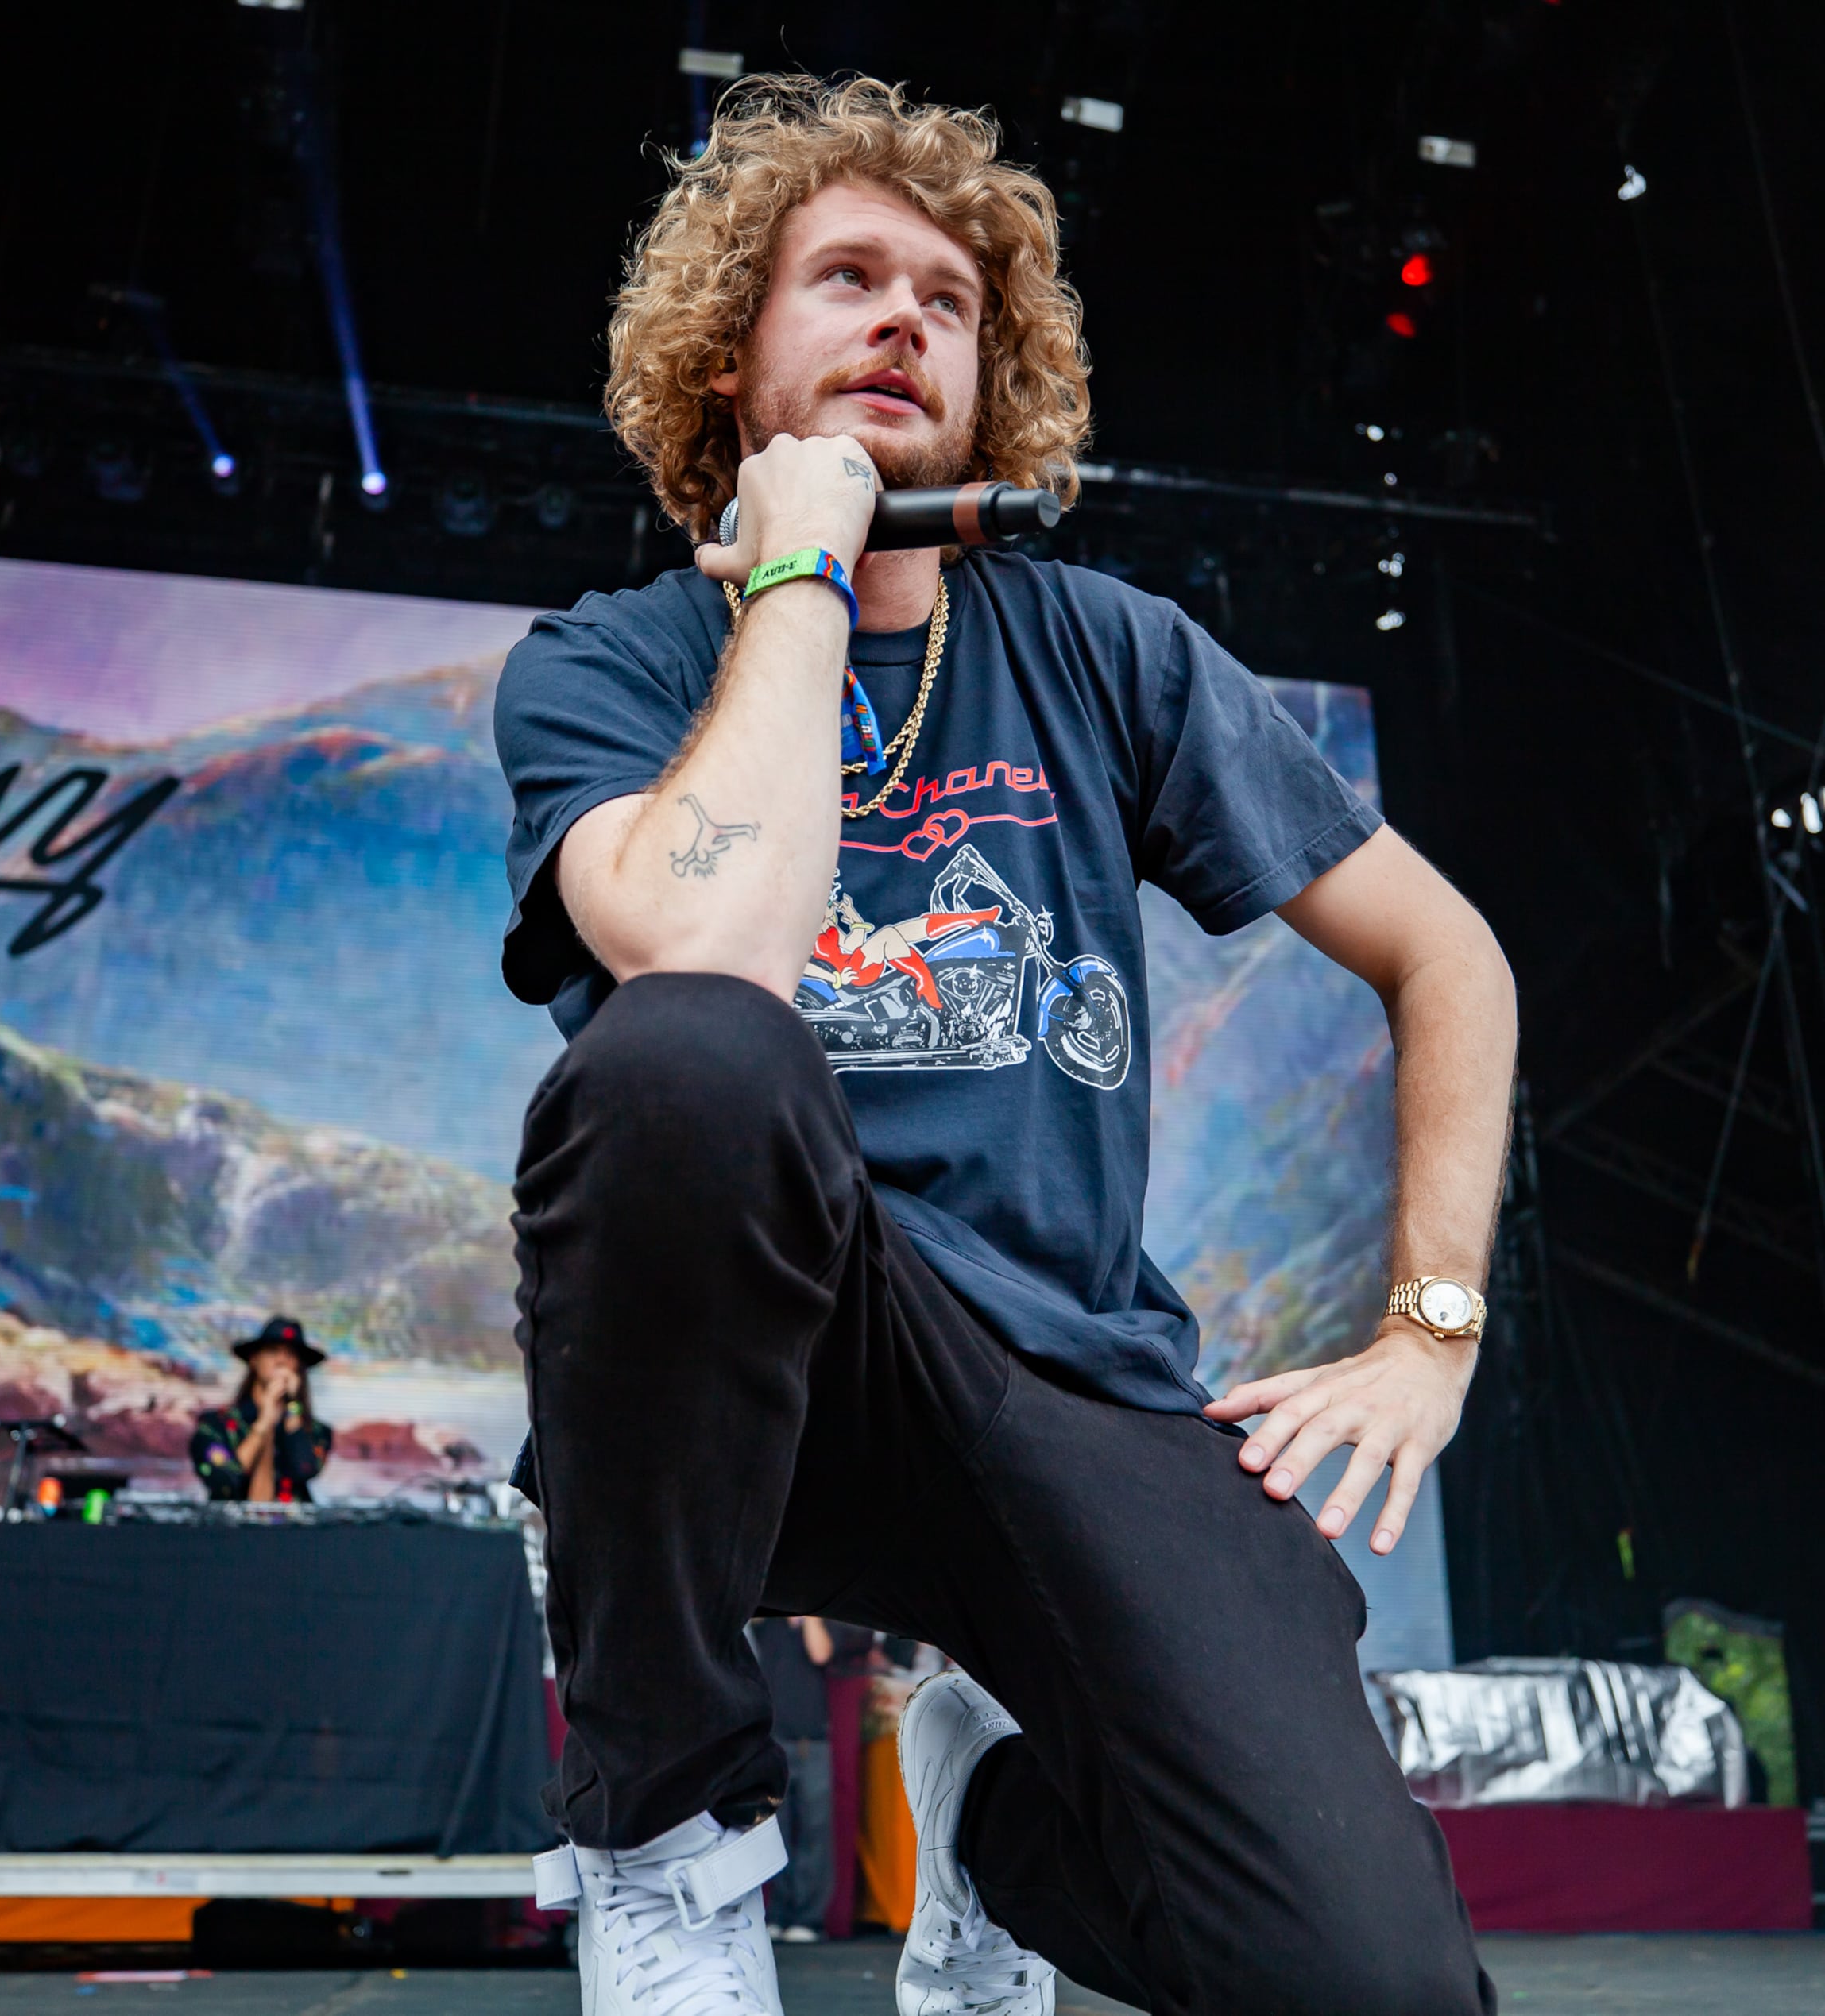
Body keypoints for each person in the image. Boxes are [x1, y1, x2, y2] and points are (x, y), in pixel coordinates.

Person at [501, 74, 1512, 2016]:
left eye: (947, 301)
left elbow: (1447, 952)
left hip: (1060, 1373)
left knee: (1370, 1987)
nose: (904, 318)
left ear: (994, 377)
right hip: (756, 1369)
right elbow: (705, 947)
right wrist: (797, 571)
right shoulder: (609, 665)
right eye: (846, 280)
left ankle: (985, 1834)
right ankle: (666, 1842)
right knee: (684, 1062)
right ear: (730, 363)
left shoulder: (1106, 649)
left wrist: (1427, 1330)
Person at [748, 1615, 874, 1942]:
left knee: (815, 1833)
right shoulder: (768, 1625)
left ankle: (809, 1917)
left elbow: (821, 1654)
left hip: (813, 1741)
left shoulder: (820, 1625)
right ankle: (777, 1913)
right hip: (775, 1740)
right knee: (777, 1831)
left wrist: (808, 1619)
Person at [189, 1315, 331, 1505]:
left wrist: (292, 1407)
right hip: (231, 1532)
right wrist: (264, 1423)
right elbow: (223, 1481)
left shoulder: (316, 1431)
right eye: (273, 1351)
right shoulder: (215, 1424)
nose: (282, 1361)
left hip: (291, 1533)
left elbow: (304, 1470)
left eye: (291, 1354)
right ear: (254, 1359)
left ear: (299, 1366)